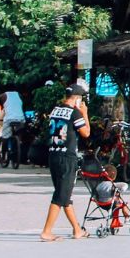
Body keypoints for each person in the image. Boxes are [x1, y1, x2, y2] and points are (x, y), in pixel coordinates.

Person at [40, 78, 91, 241]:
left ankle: (77, 229)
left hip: (53, 154)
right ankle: (47, 232)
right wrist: (85, 113)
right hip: (67, 157)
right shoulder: (75, 112)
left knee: (64, 194)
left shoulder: (55, 110)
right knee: (60, 196)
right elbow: (86, 133)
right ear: (77, 98)